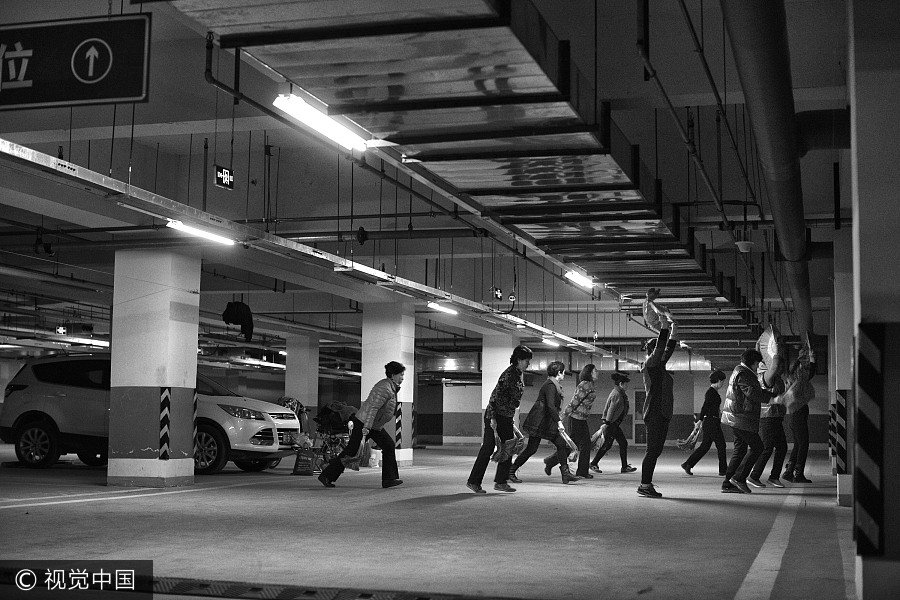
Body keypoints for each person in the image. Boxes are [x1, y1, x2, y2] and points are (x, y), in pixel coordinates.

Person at [318, 361, 405, 489]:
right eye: (401, 375)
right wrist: (366, 428)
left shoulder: (390, 387)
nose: (402, 377)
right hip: (364, 423)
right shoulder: (384, 388)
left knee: (388, 445)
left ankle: (389, 479)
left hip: (374, 426)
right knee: (351, 451)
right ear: (393, 375)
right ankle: (327, 476)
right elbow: (372, 409)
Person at [467, 345, 533, 493]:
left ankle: (501, 482)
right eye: (526, 360)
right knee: (488, 447)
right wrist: (493, 419)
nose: (528, 363)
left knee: (509, 447)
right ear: (518, 360)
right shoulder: (508, 375)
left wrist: (510, 419)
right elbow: (495, 398)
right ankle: (474, 481)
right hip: (495, 416)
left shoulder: (517, 375)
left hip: (506, 417)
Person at [508, 361, 578, 484]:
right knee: (532, 449)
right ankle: (511, 471)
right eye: (563, 372)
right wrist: (559, 422)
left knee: (561, 444)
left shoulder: (553, 384)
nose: (564, 375)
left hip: (546, 421)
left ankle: (565, 474)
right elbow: (551, 406)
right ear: (559, 373)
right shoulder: (550, 385)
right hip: (540, 422)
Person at [720, 349, 780, 494]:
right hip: (740, 418)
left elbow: (755, 390)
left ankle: (727, 483)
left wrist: (774, 396)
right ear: (753, 362)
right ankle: (739, 478)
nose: (759, 366)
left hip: (737, 418)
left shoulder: (743, 372)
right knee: (758, 447)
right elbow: (752, 392)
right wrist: (772, 399)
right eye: (758, 363)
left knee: (740, 451)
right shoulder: (743, 373)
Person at [638, 323, 678, 498]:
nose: (663, 355)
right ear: (653, 352)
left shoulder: (659, 366)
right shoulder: (651, 364)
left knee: (656, 451)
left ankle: (646, 484)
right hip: (654, 412)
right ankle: (645, 485)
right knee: (652, 451)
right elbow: (662, 348)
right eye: (658, 352)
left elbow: (667, 349)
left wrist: (674, 331)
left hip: (662, 413)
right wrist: (663, 327)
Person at [747, 338, 788, 488]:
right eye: (781, 365)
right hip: (768, 417)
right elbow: (775, 364)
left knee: (782, 447)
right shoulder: (766, 376)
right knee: (767, 447)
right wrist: (774, 351)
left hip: (776, 417)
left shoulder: (777, 378)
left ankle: (774, 477)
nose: (782, 367)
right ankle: (753, 476)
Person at [546, 363, 599, 479]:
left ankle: (552, 461)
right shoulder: (585, 385)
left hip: (581, 418)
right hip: (576, 419)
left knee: (575, 445)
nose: (597, 373)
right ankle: (581, 471)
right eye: (595, 371)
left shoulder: (589, 384)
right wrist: (563, 416)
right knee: (583, 445)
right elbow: (575, 401)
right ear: (589, 373)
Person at [681, 370, 728, 476]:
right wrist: (700, 420)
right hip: (711, 422)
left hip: (712, 421)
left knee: (705, 446)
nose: (722, 384)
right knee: (721, 445)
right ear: (719, 380)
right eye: (722, 381)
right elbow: (705, 406)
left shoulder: (713, 392)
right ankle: (723, 470)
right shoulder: (711, 392)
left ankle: (688, 464)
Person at [589, 372, 637, 474]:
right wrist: (607, 423)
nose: (627, 385)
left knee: (618, 443)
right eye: (625, 384)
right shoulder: (616, 394)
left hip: (613, 423)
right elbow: (611, 409)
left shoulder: (619, 393)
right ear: (621, 384)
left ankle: (624, 467)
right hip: (611, 424)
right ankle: (593, 463)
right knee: (610, 444)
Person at [783, 344, 817, 483]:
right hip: (798, 412)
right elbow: (809, 374)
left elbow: (808, 374)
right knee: (803, 444)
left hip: (793, 414)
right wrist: (811, 359)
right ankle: (798, 473)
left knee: (798, 443)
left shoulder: (791, 379)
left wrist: (804, 358)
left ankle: (790, 471)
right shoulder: (797, 381)